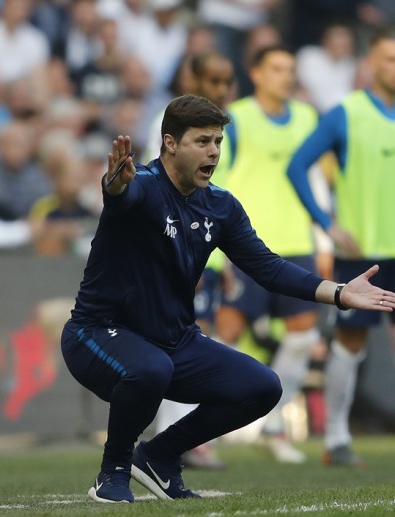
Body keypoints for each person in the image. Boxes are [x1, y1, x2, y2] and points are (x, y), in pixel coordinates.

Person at [60, 94, 395, 503]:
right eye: (203, 141)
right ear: (170, 143)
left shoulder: (221, 206)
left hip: (173, 341)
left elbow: (268, 267)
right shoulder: (145, 187)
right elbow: (123, 195)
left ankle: (158, 456)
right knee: (151, 368)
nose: (213, 152)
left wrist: (340, 293)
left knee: (261, 386)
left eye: (218, 142)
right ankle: (113, 471)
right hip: (96, 334)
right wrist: (115, 184)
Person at [287, 26, 395, 467]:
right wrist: (325, 221)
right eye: (390, 59)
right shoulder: (345, 113)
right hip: (360, 251)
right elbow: (298, 166)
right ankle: (336, 437)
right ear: (371, 62)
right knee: (350, 343)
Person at [214, 45, 323, 463]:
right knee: (225, 333)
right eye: (276, 68)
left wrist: (323, 240)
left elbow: (316, 181)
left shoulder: (307, 118)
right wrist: (219, 249)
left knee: (302, 335)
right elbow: (217, 180)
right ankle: (196, 430)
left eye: (290, 68)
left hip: (296, 242)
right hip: (247, 244)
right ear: (256, 73)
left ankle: (274, 426)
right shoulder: (236, 118)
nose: (286, 76)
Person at [142, 50, 235, 470]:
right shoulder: (168, 127)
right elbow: (156, 187)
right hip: (176, 245)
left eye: (225, 82)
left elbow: (219, 199)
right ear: (192, 76)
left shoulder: (221, 131)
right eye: (212, 80)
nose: (220, 89)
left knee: (197, 337)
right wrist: (174, 253)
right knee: (173, 342)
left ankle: (177, 435)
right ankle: (174, 439)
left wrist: (225, 260)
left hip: (207, 248)